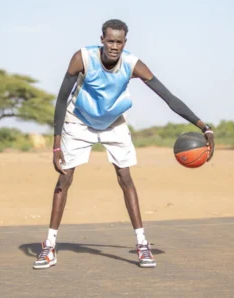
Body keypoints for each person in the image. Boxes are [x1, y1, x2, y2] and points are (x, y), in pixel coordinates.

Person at [33, 19, 215, 270]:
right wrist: (56, 146)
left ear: (125, 43)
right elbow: (62, 99)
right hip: (79, 121)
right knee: (64, 178)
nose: (114, 46)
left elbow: (168, 98)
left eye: (119, 42)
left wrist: (204, 126)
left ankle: (142, 245)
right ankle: (49, 247)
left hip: (114, 123)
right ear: (102, 39)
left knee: (125, 177)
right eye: (110, 40)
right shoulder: (82, 58)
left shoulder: (132, 64)